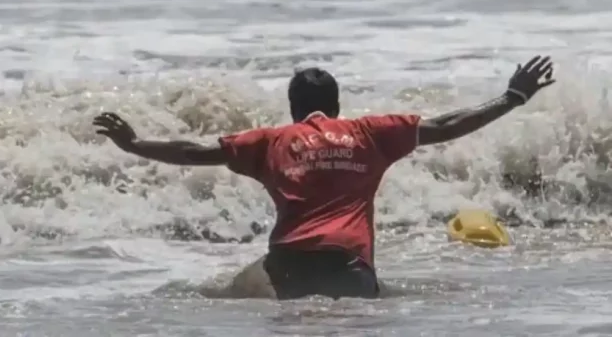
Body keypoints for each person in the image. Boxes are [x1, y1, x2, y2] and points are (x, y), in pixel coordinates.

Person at [92, 55, 555, 300]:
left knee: (214, 296)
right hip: (347, 267)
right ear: (336, 105)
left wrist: (134, 144)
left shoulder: (272, 140)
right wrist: (511, 97)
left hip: (285, 265)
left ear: (293, 108)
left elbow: (194, 151)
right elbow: (445, 125)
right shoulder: (371, 133)